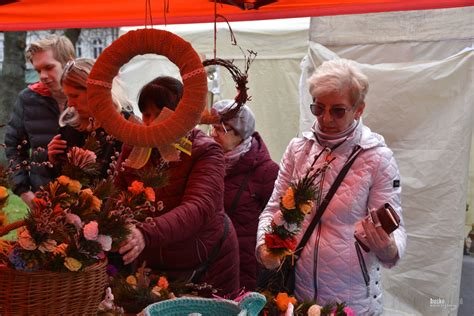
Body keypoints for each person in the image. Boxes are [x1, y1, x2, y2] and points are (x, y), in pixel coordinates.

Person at [256, 59, 406, 314]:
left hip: (352, 297)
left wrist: (388, 247)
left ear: (359, 109)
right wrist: (264, 247)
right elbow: (273, 207)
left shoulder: (377, 157)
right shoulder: (298, 149)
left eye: (338, 110)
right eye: (318, 108)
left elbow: (395, 228)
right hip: (298, 292)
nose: (325, 118)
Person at [115, 76, 240, 297]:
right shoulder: (134, 148)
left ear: (181, 115)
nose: (149, 123)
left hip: (205, 264)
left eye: (159, 114)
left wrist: (145, 233)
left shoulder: (206, 151)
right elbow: (118, 196)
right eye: (145, 114)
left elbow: (198, 206)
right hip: (152, 264)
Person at [210, 100, 279, 291]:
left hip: (245, 263)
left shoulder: (267, 171)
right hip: (210, 259)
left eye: (221, 129)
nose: (213, 134)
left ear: (241, 134)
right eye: (212, 128)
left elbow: (275, 220)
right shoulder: (208, 163)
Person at [4, 34, 75, 209]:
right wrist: (24, 191)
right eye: (38, 70)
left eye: (49, 67)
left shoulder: (89, 97)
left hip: (89, 201)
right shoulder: (28, 99)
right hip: (43, 200)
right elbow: (13, 148)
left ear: (69, 62)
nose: (42, 76)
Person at [46, 58, 134, 179]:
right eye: (67, 96)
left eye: (75, 96)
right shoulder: (70, 129)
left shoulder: (126, 126)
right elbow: (63, 184)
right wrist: (52, 160)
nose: (70, 104)